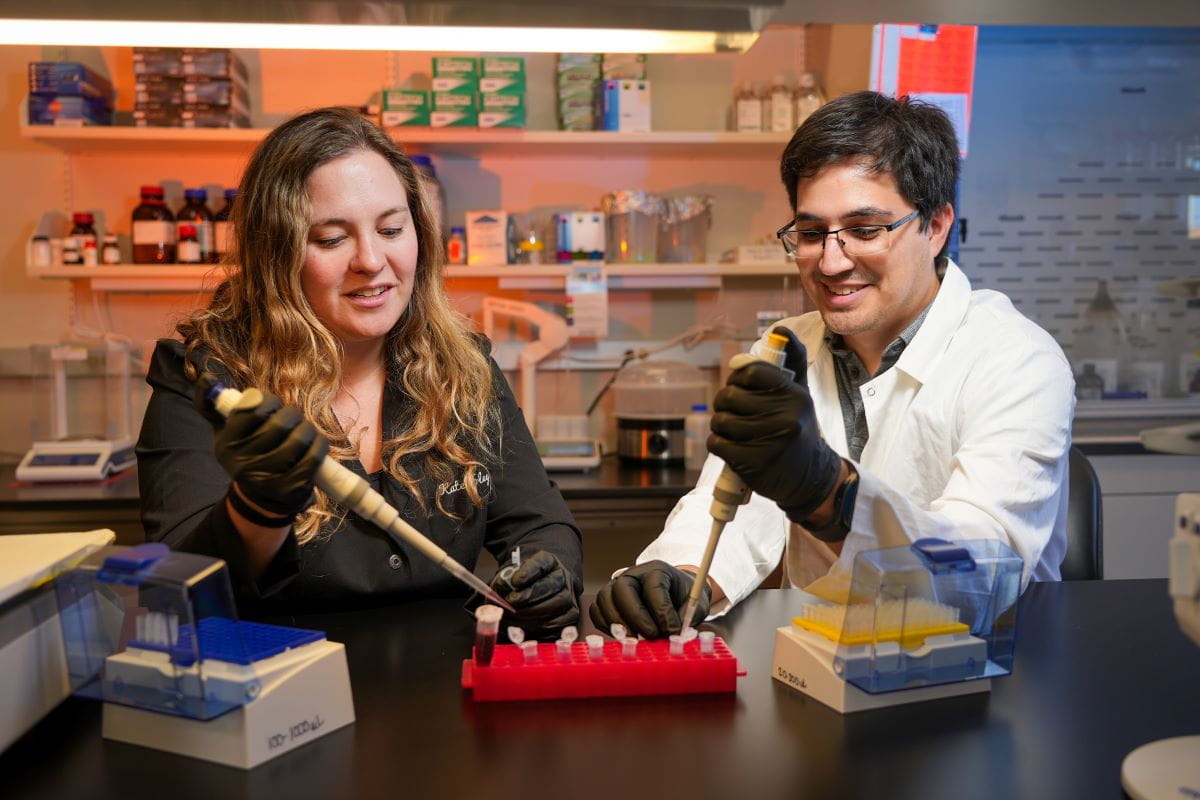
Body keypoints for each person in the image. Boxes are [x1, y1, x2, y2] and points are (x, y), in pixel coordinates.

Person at [591, 91, 1074, 639]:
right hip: (819, 665)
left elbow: (980, 574)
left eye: (865, 230)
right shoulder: (784, 346)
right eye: (811, 232)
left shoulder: (1017, 360)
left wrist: (831, 494)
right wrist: (680, 575)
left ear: (936, 227)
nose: (831, 261)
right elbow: (732, 504)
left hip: (982, 680)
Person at [137, 106, 582, 637]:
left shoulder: (462, 365)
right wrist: (257, 508)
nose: (371, 260)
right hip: (284, 699)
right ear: (274, 253)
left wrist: (545, 576)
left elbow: (540, 524)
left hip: (445, 699)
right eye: (331, 239)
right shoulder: (206, 377)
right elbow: (180, 593)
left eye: (392, 229)